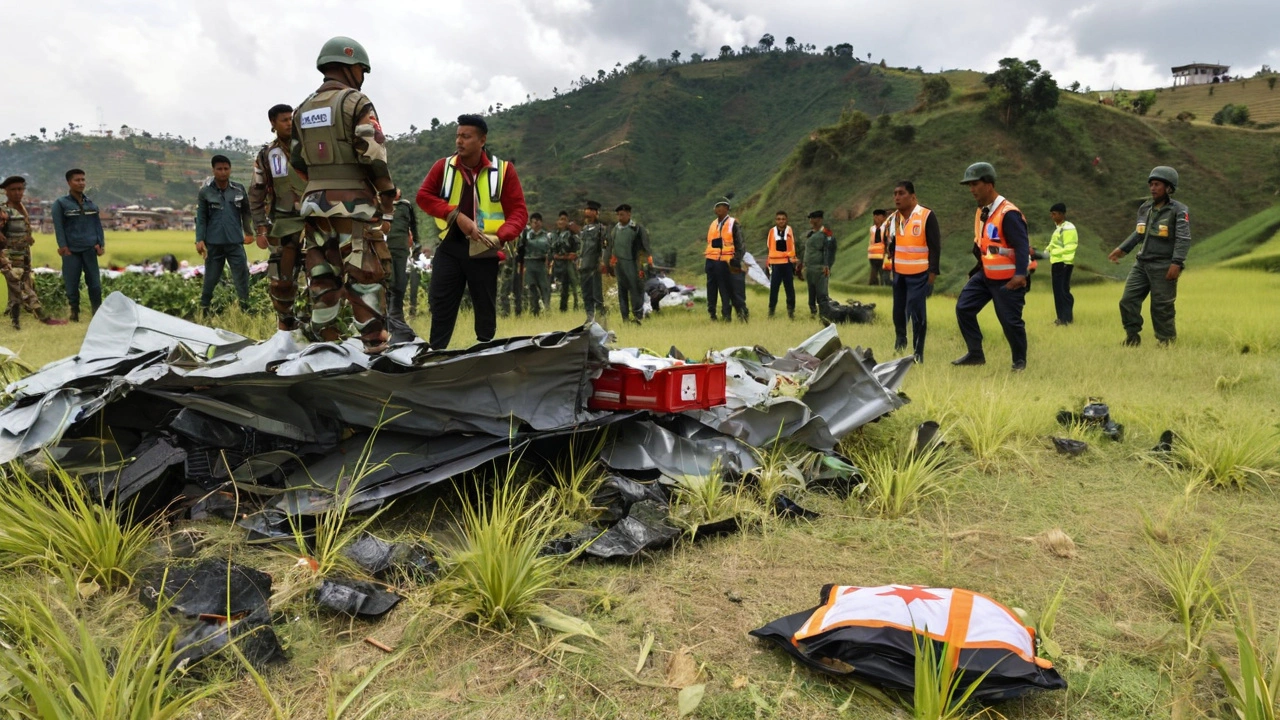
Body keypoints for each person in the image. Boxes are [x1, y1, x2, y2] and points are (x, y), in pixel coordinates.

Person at [291, 36, 397, 352]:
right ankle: (374, 345)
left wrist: (322, 184)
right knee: (365, 273)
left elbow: (298, 162)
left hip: (314, 205)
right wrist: (386, 194)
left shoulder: (302, 109)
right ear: (350, 68)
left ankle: (325, 345)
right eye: (361, 70)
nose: (362, 77)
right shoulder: (356, 102)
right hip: (354, 207)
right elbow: (373, 155)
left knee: (322, 275)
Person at [417, 114, 527, 349]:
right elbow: (423, 197)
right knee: (440, 302)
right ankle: (436, 353)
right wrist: (455, 215)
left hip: (484, 250)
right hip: (450, 246)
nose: (459, 141)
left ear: (482, 140)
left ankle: (485, 355)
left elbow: (519, 212)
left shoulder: (504, 171)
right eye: (458, 136)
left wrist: (501, 236)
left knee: (484, 308)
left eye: (466, 137)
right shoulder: (443, 166)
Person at [953, 162, 1032, 372]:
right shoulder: (981, 212)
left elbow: (1022, 247)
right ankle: (975, 354)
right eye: (969, 185)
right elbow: (981, 243)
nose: (971, 190)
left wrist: (1020, 275)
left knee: (1010, 322)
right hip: (986, 276)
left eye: (975, 184)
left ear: (989, 184)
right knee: (964, 308)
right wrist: (977, 268)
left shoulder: (1008, 213)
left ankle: (1019, 362)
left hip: (1009, 280)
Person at [1108, 166, 1190, 347]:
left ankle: (1166, 341)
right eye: (1151, 184)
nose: (1153, 188)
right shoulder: (1145, 208)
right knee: (1128, 300)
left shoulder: (1178, 211)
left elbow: (1183, 239)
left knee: (1162, 306)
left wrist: (1177, 263)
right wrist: (1122, 249)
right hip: (1142, 264)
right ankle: (1132, 337)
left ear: (1168, 187)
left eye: (1157, 184)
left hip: (1164, 265)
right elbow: (1138, 233)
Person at [249, 103, 307, 331]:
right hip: (282, 225)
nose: (289, 123)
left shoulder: (308, 148)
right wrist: (260, 227)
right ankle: (286, 325)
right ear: (273, 123)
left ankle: (313, 324)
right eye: (284, 119)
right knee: (282, 281)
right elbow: (256, 193)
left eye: (291, 118)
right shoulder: (267, 155)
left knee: (319, 275)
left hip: (314, 221)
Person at [1, 176, 66, 328]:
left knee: (18, 288)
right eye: (13, 190)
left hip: (23, 256)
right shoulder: (3, 211)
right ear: (6, 192)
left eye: (20, 189)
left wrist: (28, 239)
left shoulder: (22, 208)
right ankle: (42, 316)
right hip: (8, 256)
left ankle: (15, 323)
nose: (17, 192)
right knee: (21, 286)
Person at [888, 182, 940, 363]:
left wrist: (932, 276)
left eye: (901, 193)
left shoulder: (926, 216)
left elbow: (935, 247)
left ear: (913, 197)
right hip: (899, 274)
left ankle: (918, 353)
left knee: (917, 314)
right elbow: (893, 245)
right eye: (895, 193)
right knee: (898, 312)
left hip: (920, 275)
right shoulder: (894, 218)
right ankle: (900, 341)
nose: (896, 197)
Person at [196, 155, 253, 314]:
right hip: (214, 243)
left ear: (230, 169)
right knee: (211, 279)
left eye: (226, 169)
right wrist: (199, 239)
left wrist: (249, 232)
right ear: (213, 170)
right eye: (219, 169)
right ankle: (204, 310)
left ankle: (245, 310)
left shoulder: (239, 189)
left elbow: (246, 213)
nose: (223, 172)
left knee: (241, 277)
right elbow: (201, 217)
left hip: (235, 242)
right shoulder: (205, 192)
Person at [51, 168, 104, 322]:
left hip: (90, 249)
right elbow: (58, 227)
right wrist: (62, 246)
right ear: (69, 182)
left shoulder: (90, 204)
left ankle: (97, 313)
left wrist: (100, 244)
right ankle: (74, 313)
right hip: (71, 251)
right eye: (77, 180)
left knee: (95, 284)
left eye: (83, 180)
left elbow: (97, 226)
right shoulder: (60, 204)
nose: (81, 183)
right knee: (72, 283)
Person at [605, 203, 652, 324]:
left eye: (622, 214)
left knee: (635, 289)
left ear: (629, 214)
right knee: (622, 291)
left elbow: (644, 249)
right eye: (618, 215)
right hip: (619, 264)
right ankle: (625, 318)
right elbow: (611, 247)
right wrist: (610, 262)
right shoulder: (615, 229)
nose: (620, 217)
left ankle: (637, 316)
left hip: (633, 263)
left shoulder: (636, 228)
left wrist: (642, 266)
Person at [705, 197, 746, 322]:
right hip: (712, 261)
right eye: (717, 206)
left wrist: (736, 259)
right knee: (712, 290)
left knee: (729, 290)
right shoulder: (713, 224)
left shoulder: (733, 223)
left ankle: (732, 315)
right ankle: (713, 315)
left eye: (721, 206)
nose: (718, 209)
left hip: (727, 262)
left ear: (727, 208)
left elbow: (741, 244)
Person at [385, 189, 417, 322]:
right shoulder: (381, 206)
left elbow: (413, 226)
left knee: (401, 281)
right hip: (385, 248)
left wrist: (416, 244)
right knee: (388, 280)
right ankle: (386, 313)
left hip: (401, 249)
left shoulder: (405, 206)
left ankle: (397, 314)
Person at [574, 200, 607, 322]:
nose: (587, 212)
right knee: (586, 293)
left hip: (594, 266)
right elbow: (581, 248)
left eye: (591, 210)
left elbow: (604, 247)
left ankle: (600, 318)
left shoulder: (600, 229)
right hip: (584, 266)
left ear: (596, 213)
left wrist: (602, 262)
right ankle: (589, 317)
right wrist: (578, 260)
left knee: (596, 294)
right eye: (586, 209)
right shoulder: (584, 229)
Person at [800, 210, 836, 316]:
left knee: (822, 294)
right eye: (810, 218)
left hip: (820, 268)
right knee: (811, 294)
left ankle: (824, 314)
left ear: (820, 219)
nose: (811, 220)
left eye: (813, 218)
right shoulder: (810, 234)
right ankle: (813, 313)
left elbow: (830, 251)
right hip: (809, 268)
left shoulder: (826, 234)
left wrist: (827, 265)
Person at [1048, 202, 1078, 326]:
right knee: (1058, 292)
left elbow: (1070, 246)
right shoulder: (1058, 229)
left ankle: (1066, 319)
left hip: (1064, 263)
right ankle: (1061, 318)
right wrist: (1043, 253)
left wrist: (1066, 262)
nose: (1052, 217)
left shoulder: (1068, 228)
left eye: (1054, 214)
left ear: (1061, 214)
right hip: (1056, 263)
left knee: (1063, 291)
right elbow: (1053, 246)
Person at [764, 210, 797, 318]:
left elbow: (792, 246)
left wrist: (791, 259)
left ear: (786, 220)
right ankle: (771, 311)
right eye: (778, 219)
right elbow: (769, 246)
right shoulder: (772, 231)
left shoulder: (789, 230)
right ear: (775, 220)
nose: (781, 221)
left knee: (790, 289)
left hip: (787, 264)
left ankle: (791, 312)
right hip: (775, 264)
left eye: (783, 219)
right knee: (774, 289)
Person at [520, 213, 552, 315]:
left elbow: (550, 250)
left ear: (541, 223)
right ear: (530, 223)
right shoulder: (526, 235)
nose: (536, 224)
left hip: (541, 263)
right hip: (529, 263)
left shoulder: (547, 236)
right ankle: (534, 310)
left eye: (538, 221)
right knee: (531, 287)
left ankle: (547, 309)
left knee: (544, 287)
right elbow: (520, 249)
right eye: (534, 221)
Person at [550, 211, 580, 313]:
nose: (562, 222)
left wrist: (565, 256)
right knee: (561, 286)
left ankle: (576, 306)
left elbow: (575, 251)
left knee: (573, 285)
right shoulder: (554, 234)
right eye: (560, 219)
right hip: (557, 264)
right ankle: (562, 308)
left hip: (569, 264)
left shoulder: (572, 235)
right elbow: (552, 250)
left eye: (565, 220)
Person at [867, 209, 892, 285]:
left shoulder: (879, 228)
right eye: (875, 217)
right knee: (878, 273)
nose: (875, 218)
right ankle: (879, 286)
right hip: (876, 255)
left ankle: (876, 286)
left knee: (878, 273)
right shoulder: (876, 229)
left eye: (877, 216)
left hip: (877, 254)